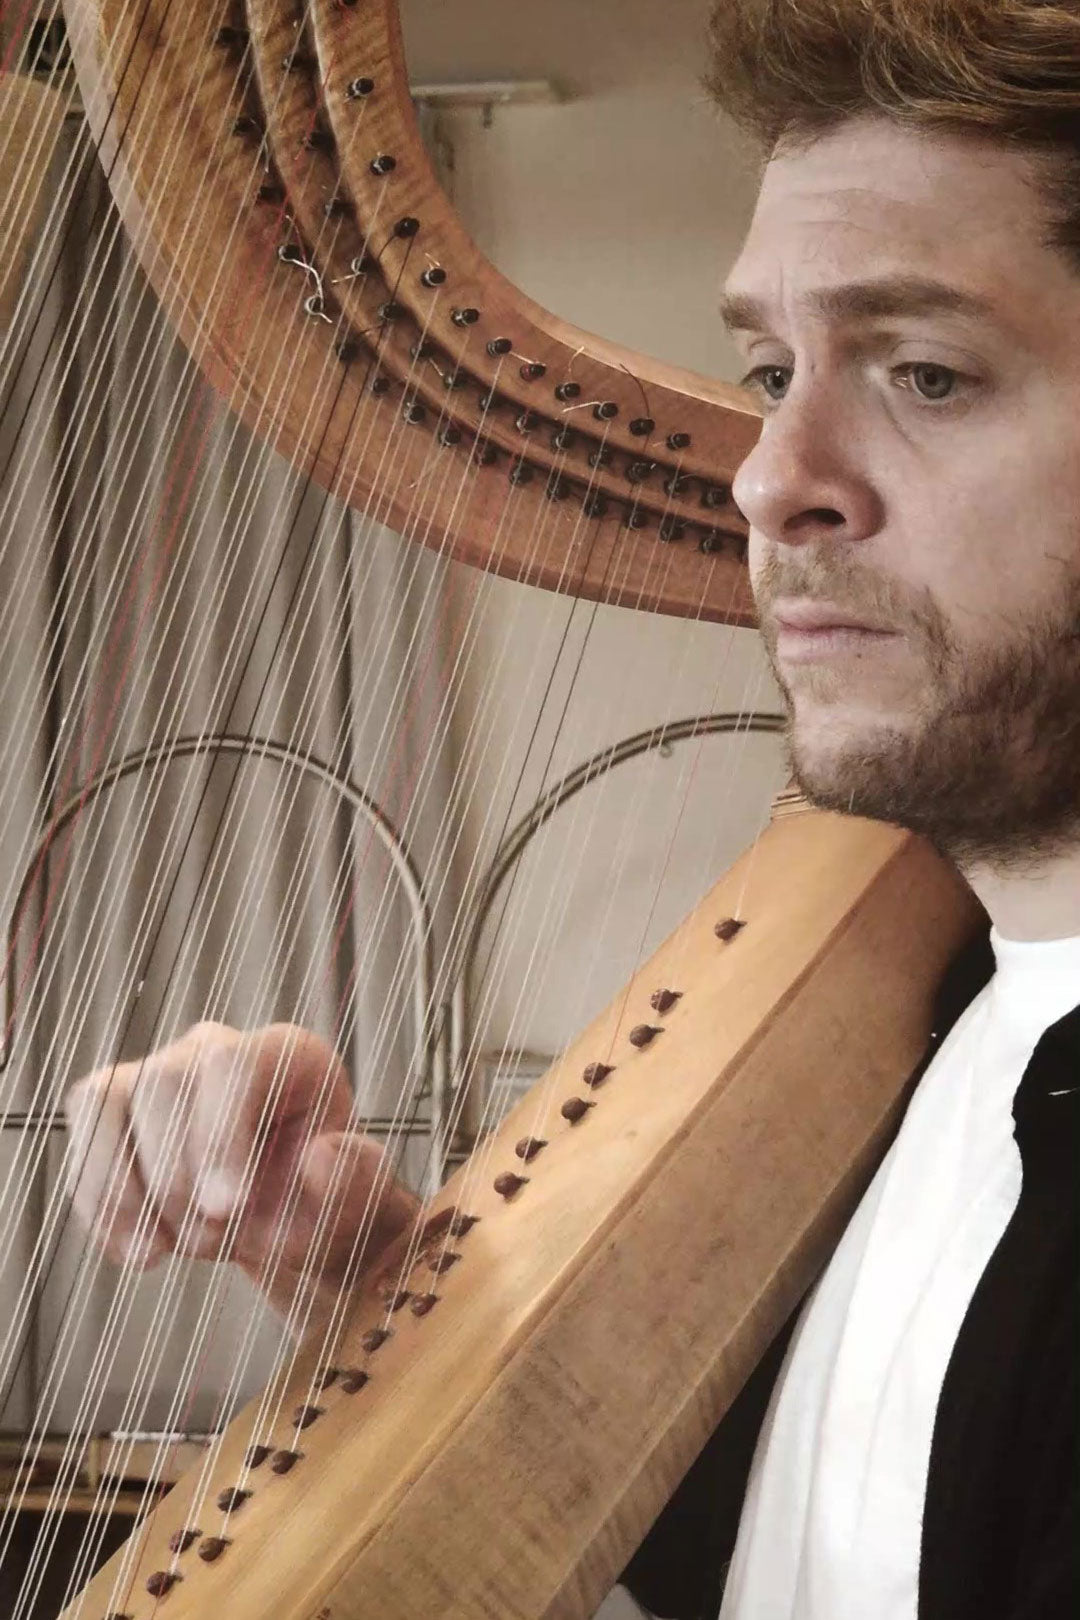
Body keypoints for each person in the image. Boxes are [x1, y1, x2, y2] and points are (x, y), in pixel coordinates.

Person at [67, 2, 1079, 1616]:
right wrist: (373, 1285)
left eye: (929, 373)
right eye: (767, 368)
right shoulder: (927, 992)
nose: (768, 475)